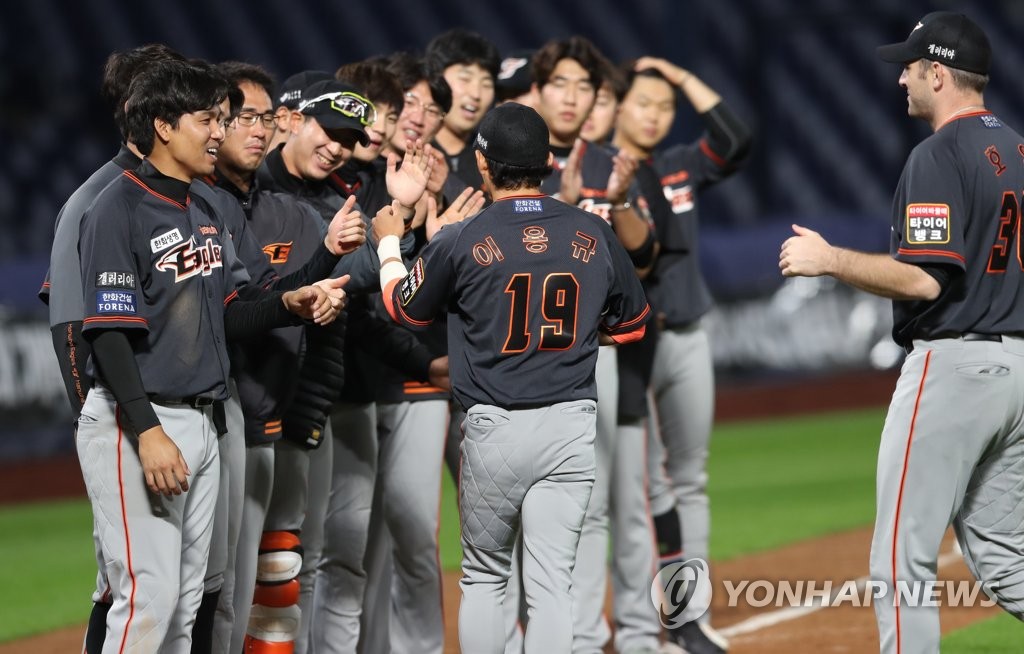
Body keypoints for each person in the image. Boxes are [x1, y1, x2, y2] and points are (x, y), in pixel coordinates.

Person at [780, 12, 1024, 653]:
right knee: (1008, 560)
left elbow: (925, 281)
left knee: (900, 558)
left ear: (938, 73)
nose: (902, 82)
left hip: (957, 368)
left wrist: (830, 259)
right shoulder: (1021, 150)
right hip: (1020, 372)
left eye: (910, 69)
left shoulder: (939, 154)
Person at [75, 57, 334, 654]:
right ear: (163, 126)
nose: (220, 131)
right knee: (148, 598)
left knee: (189, 598)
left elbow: (233, 308)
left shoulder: (206, 208)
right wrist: (146, 429)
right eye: (207, 119)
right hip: (138, 417)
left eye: (221, 119)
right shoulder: (118, 207)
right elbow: (108, 332)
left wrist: (288, 302)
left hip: (205, 418)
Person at [373, 101, 650, 654]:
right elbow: (634, 325)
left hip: (493, 425)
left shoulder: (461, 236)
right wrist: (580, 337)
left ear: (482, 163)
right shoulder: (591, 232)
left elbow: (404, 309)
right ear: (547, 160)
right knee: (552, 586)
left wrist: (387, 244)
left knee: (484, 578)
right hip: (571, 425)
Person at [613, 57, 751, 653]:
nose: (654, 114)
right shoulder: (597, 175)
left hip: (688, 336)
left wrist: (679, 76)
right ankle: (643, 624)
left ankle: (688, 618)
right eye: (643, 102)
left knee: (689, 480)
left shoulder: (677, 167)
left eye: (663, 107)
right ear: (616, 106)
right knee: (646, 488)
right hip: (631, 347)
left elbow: (735, 137)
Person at [426, 28, 500, 191]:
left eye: (486, 84)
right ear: (436, 79)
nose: (476, 94)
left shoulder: (494, 161)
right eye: (465, 79)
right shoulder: (409, 150)